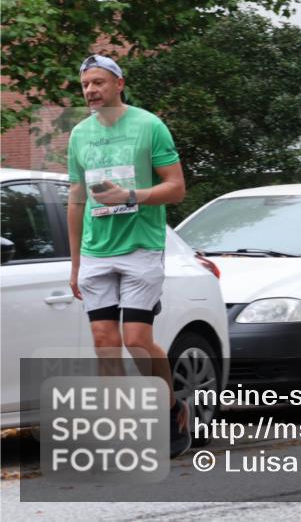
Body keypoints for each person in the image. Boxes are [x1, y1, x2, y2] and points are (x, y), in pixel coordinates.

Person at [67, 54, 191, 458]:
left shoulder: (148, 125)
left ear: (119, 84)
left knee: (137, 342)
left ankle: (171, 407)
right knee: (105, 343)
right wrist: (76, 264)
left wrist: (131, 196)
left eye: (99, 82)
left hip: (141, 246)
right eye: (86, 84)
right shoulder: (79, 135)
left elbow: (176, 188)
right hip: (96, 251)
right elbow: (76, 199)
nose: (91, 91)